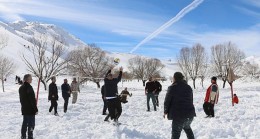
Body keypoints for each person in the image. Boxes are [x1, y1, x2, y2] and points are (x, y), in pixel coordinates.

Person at [164, 72, 196, 139]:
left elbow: (167, 101)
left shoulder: (172, 87)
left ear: (175, 78)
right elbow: (191, 100)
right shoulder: (188, 87)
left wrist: (165, 111)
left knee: (175, 134)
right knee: (187, 128)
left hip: (179, 115)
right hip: (190, 115)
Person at [19, 74, 38, 139]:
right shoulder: (29, 87)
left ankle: (23, 136)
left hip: (24, 109)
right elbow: (32, 100)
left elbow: (22, 99)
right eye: (31, 78)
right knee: (31, 124)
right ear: (27, 79)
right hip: (30, 110)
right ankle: (30, 136)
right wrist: (35, 109)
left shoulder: (21, 87)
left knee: (25, 123)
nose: (31, 79)